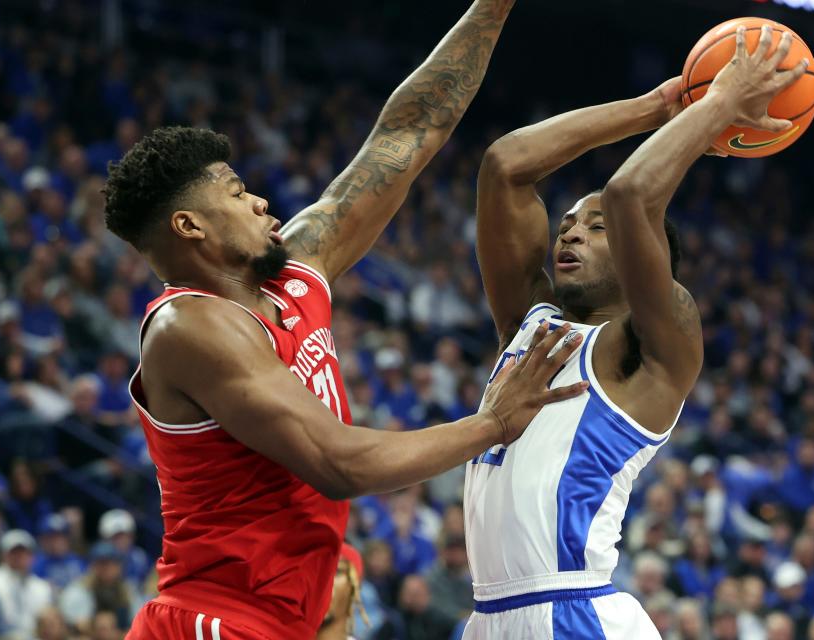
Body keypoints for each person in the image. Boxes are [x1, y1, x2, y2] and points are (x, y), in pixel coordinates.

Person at [107, 2, 587, 639]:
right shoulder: (187, 327)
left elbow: (408, 132)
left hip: (282, 620)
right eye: (233, 191)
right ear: (190, 227)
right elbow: (341, 464)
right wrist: (494, 424)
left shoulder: (295, 267)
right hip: (214, 620)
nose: (258, 199)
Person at [463, 24, 808, 638]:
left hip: (577, 611)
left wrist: (721, 104)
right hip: (488, 614)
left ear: (641, 259)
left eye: (593, 229)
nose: (568, 233)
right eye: (567, 223)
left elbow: (630, 196)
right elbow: (505, 166)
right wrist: (655, 108)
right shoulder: (530, 323)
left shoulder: (655, 346)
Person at [0, 529, 53, 638]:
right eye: (14, 552)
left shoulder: (42, 587)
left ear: (32, 556)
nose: (19, 557)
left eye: (23, 552)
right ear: (3, 555)